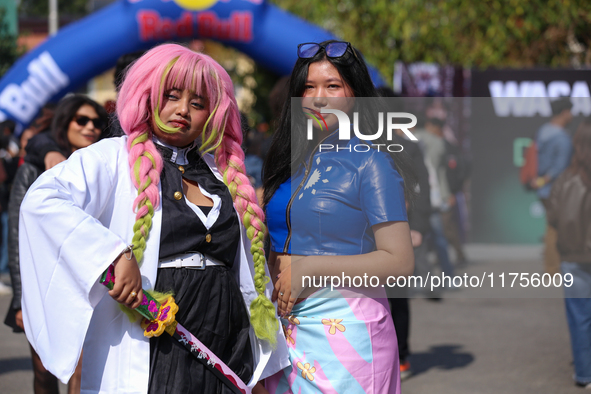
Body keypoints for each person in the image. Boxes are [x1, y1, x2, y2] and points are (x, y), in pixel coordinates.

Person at [18, 44, 288, 393]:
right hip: (154, 337)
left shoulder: (220, 173)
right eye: (171, 95)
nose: (182, 111)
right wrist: (113, 253)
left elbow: (248, 271)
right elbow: (42, 200)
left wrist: (262, 356)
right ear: (147, 96)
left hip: (227, 332)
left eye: (197, 103)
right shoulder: (111, 156)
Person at [263, 40, 415, 393]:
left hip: (349, 336)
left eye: (332, 86)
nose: (318, 97)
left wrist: (310, 267)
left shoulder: (371, 162)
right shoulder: (288, 162)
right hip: (286, 334)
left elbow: (400, 261)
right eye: (308, 88)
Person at [5, 94, 107, 394]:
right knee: (43, 372)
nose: (91, 127)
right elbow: (17, 238)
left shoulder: (105, 169)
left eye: (97, 122)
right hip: (44, 283)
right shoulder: (35, 169)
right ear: (65, 123)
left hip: (88, 283)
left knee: (82, 367)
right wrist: (21, 298)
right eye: (82, 120)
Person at [546, 118, 591, 389]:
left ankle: (585, 374)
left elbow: (553, 216)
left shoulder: (565, 179)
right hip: (574, 258)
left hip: (574, 258)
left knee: (579, 318)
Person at [532, 97, 573, 275]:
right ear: (564, 113)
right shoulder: (562, 137)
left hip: (543, 189)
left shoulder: (543, 132)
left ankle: (552, 266)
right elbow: (560, 167)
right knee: (555, 229)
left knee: (552, 227)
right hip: (556, 189)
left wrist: (540, 181)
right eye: (570, 112)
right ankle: (553, 267)